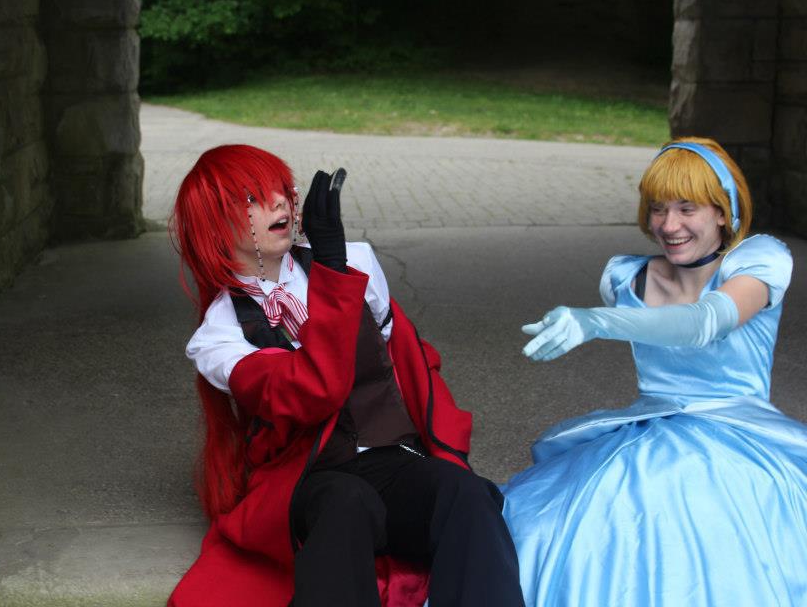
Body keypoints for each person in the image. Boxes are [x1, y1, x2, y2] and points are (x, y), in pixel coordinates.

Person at [166, 144, 524, 607]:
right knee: (346, 502)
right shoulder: (220, 335)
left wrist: (441, 441)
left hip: (391, 458)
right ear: (212, 224)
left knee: (464, 494)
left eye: (279, 188)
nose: (277, 201)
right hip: (310, 478)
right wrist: (332, 275)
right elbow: (313, 392)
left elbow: (408, 361)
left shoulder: (357, 261)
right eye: (252, 197)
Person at [503, 137, 807, 606]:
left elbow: (705, 323)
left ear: (722, 212)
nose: (669, 225)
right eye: (658, 209)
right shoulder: (626, 278)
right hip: (648, 432)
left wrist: (597, 321)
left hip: (738, 438)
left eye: (687, 209)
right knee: (582, 522)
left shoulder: (757, 261)